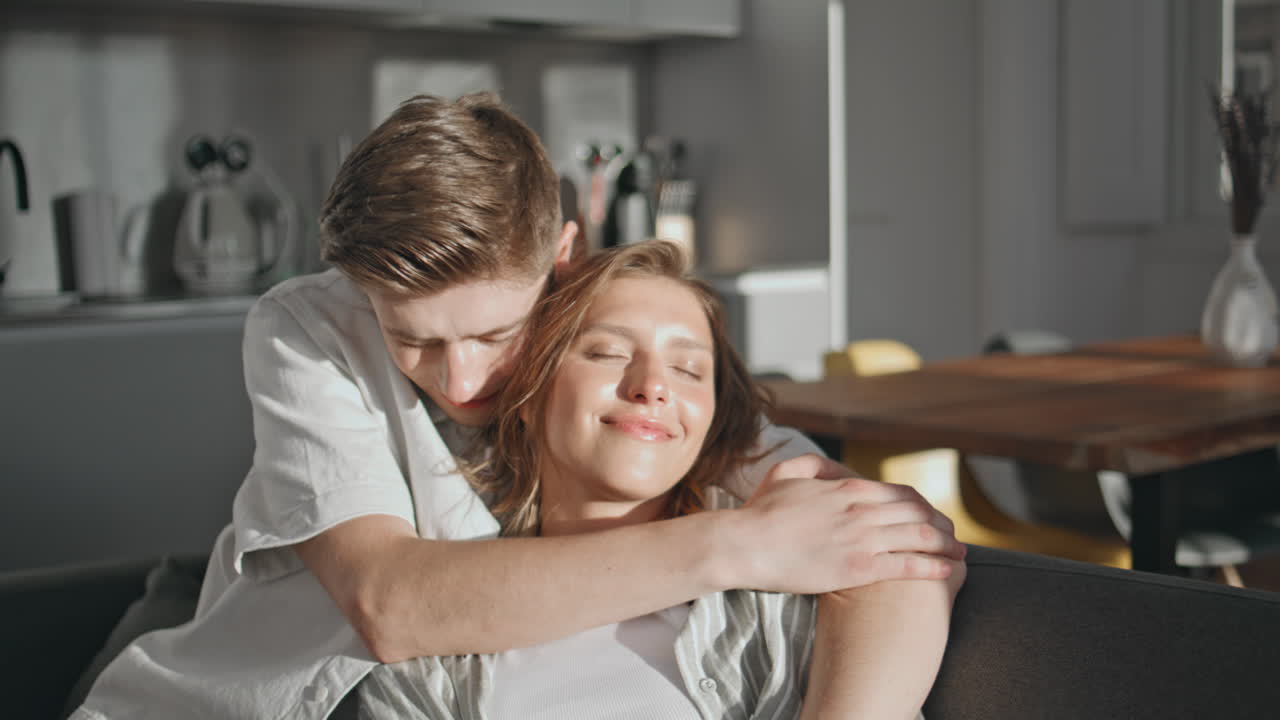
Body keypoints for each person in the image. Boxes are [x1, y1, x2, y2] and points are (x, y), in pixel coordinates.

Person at [73, 94, 962, 719]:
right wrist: (739, 544)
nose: (461, 382)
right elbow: (392, 606)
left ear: (564, 258)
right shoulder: (308, 327)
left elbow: (885, 545)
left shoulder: (607, 338)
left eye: (497, 333)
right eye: (414, 340)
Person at [358, 240, 963, 719]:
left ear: (712, 420)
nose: (653, 385)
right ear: (526, 393)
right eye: (607, 352)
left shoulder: (790, 601)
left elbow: (909, 554)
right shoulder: (439, 658)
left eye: (687, 368)